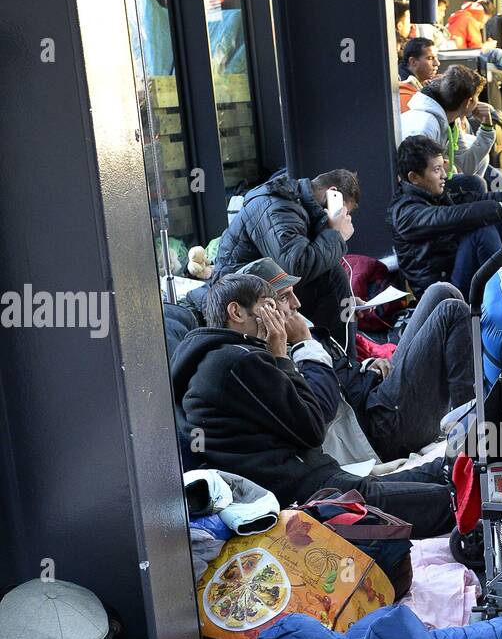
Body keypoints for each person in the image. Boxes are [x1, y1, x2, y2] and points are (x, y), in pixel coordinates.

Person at [170, 271, 457, 538]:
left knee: (444, 472)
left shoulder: (224, 359)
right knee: (453, 500)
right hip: (311, 496)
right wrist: (283, 355)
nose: (287, 311)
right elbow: (313, 426)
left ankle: (467, 463)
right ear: (236, 312)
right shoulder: (236, 360)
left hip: (321, 478)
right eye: (271, 305)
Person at [241, 257, 473, 464]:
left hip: (376, 397)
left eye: (293, 293)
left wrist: (367, 366)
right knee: (451, 311)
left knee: (441, 291)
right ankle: (472, 437)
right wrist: (303, 342)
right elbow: (321, 411)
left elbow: (340, 372)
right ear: (261, 312)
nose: (296, 303)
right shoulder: (272, 355)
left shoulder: (297, 328)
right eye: (284, 297)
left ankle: (471, 418)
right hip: (378, 430)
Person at [212, 166, 358, 344]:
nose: (343, 218)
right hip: (237, 293)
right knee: (333, 276)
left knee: (336, 286)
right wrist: (336, 234)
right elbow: (294, 268)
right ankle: (343, 358)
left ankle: (338, 354)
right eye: (343, 211)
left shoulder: (295, 206)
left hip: (263, 284)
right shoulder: (277, 207)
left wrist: (346, 298)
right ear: (332, 193)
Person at [389, 135, 502, 298]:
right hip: (444, 294)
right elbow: (456, 216)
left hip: (455, 268)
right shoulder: (405, 214)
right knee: (481, 231)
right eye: (436, 170)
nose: (444, 175)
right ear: (414, 177)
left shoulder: (432, 194)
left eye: (442, 167)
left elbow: (476, 200)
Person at [398, 36, 439, 113]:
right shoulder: (403, 88)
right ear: (413, 61)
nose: (437, 63)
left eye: (436, 57)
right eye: (430, 58)